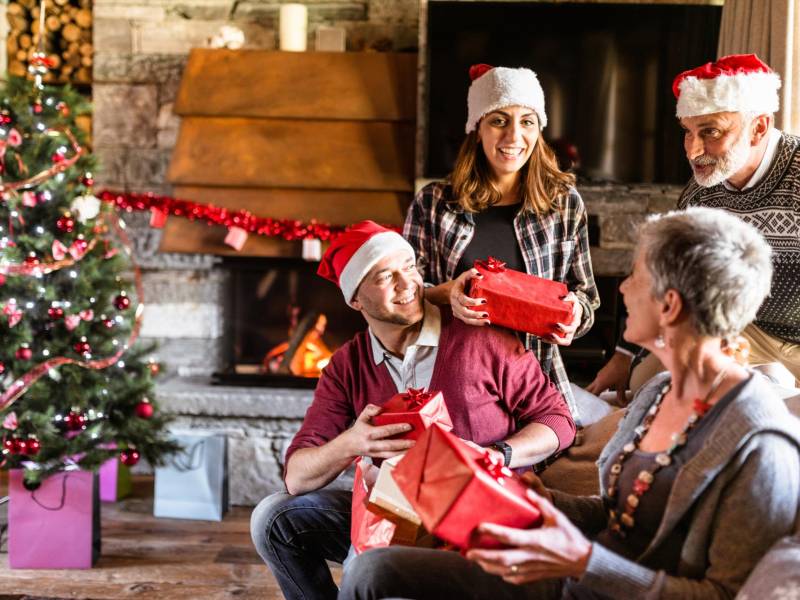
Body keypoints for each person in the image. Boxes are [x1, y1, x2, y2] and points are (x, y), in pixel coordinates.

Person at [339, 207, 800, 600]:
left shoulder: (760, 441)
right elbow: (623, 514)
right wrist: (546, 502)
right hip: (577, 576)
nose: (621, 289)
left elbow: (724, 595)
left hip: (593, 582)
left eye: (636, 276)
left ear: (670, 305)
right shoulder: (659, 393)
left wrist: (583, 560)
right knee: (372, 568)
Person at [250, 220, 576, 600]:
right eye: (385, 277)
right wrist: (352, 442)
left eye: (409, 267)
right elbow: (297, 478)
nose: (407, 285)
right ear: (355, 299)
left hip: (477, 518)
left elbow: (558, 421)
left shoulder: (480, 338)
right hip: (392, 512)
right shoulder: (346, 365)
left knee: (369, 566)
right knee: (272, 516)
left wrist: (495, 455)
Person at [588, 54, 800, 402]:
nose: (694, 150)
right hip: (738, 331)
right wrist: (624, 357)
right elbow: (665, 274)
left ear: (759, 127)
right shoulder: (702, 190)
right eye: (688, 132)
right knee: (645, 391)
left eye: (711, 132)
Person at [406, 64, 600, 425]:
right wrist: (448, 294)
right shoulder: (433, 203)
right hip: (452, 382)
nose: (514, 135)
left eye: (527, 121)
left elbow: (586, 297)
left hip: (535, 383)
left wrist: (574, 315)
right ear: (476, 128)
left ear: (538, 131)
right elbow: (405, 297)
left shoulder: (564, 203)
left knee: (534, 478)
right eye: (498, 120)